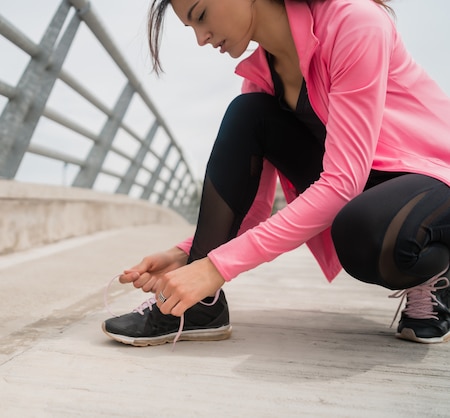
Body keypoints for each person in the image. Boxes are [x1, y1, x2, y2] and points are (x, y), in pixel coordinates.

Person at [102, 0, 450, 346]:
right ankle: (200, 310)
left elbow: (343, 183)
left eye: (201, 15)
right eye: (191, 28)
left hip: (432, 177)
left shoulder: (354, 21)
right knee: (247, 113)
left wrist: (214, 269)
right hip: (365, 187)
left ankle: (438, 269)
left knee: (366, 234)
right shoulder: (263, 79)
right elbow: (252, 209)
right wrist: (188, 255)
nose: (201, 38)